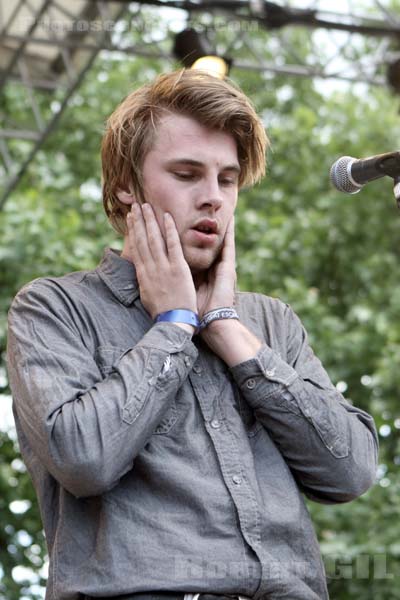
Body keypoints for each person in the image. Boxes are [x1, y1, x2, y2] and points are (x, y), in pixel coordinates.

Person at [6, 69, 378, 600]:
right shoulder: (54, 307)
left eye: (227, 180)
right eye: (187, 174)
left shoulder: (269, 321)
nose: (213, 198)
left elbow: (351, 470)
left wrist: (227, 331)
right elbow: (83, 459)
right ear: (126, 189)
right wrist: (173, 326)